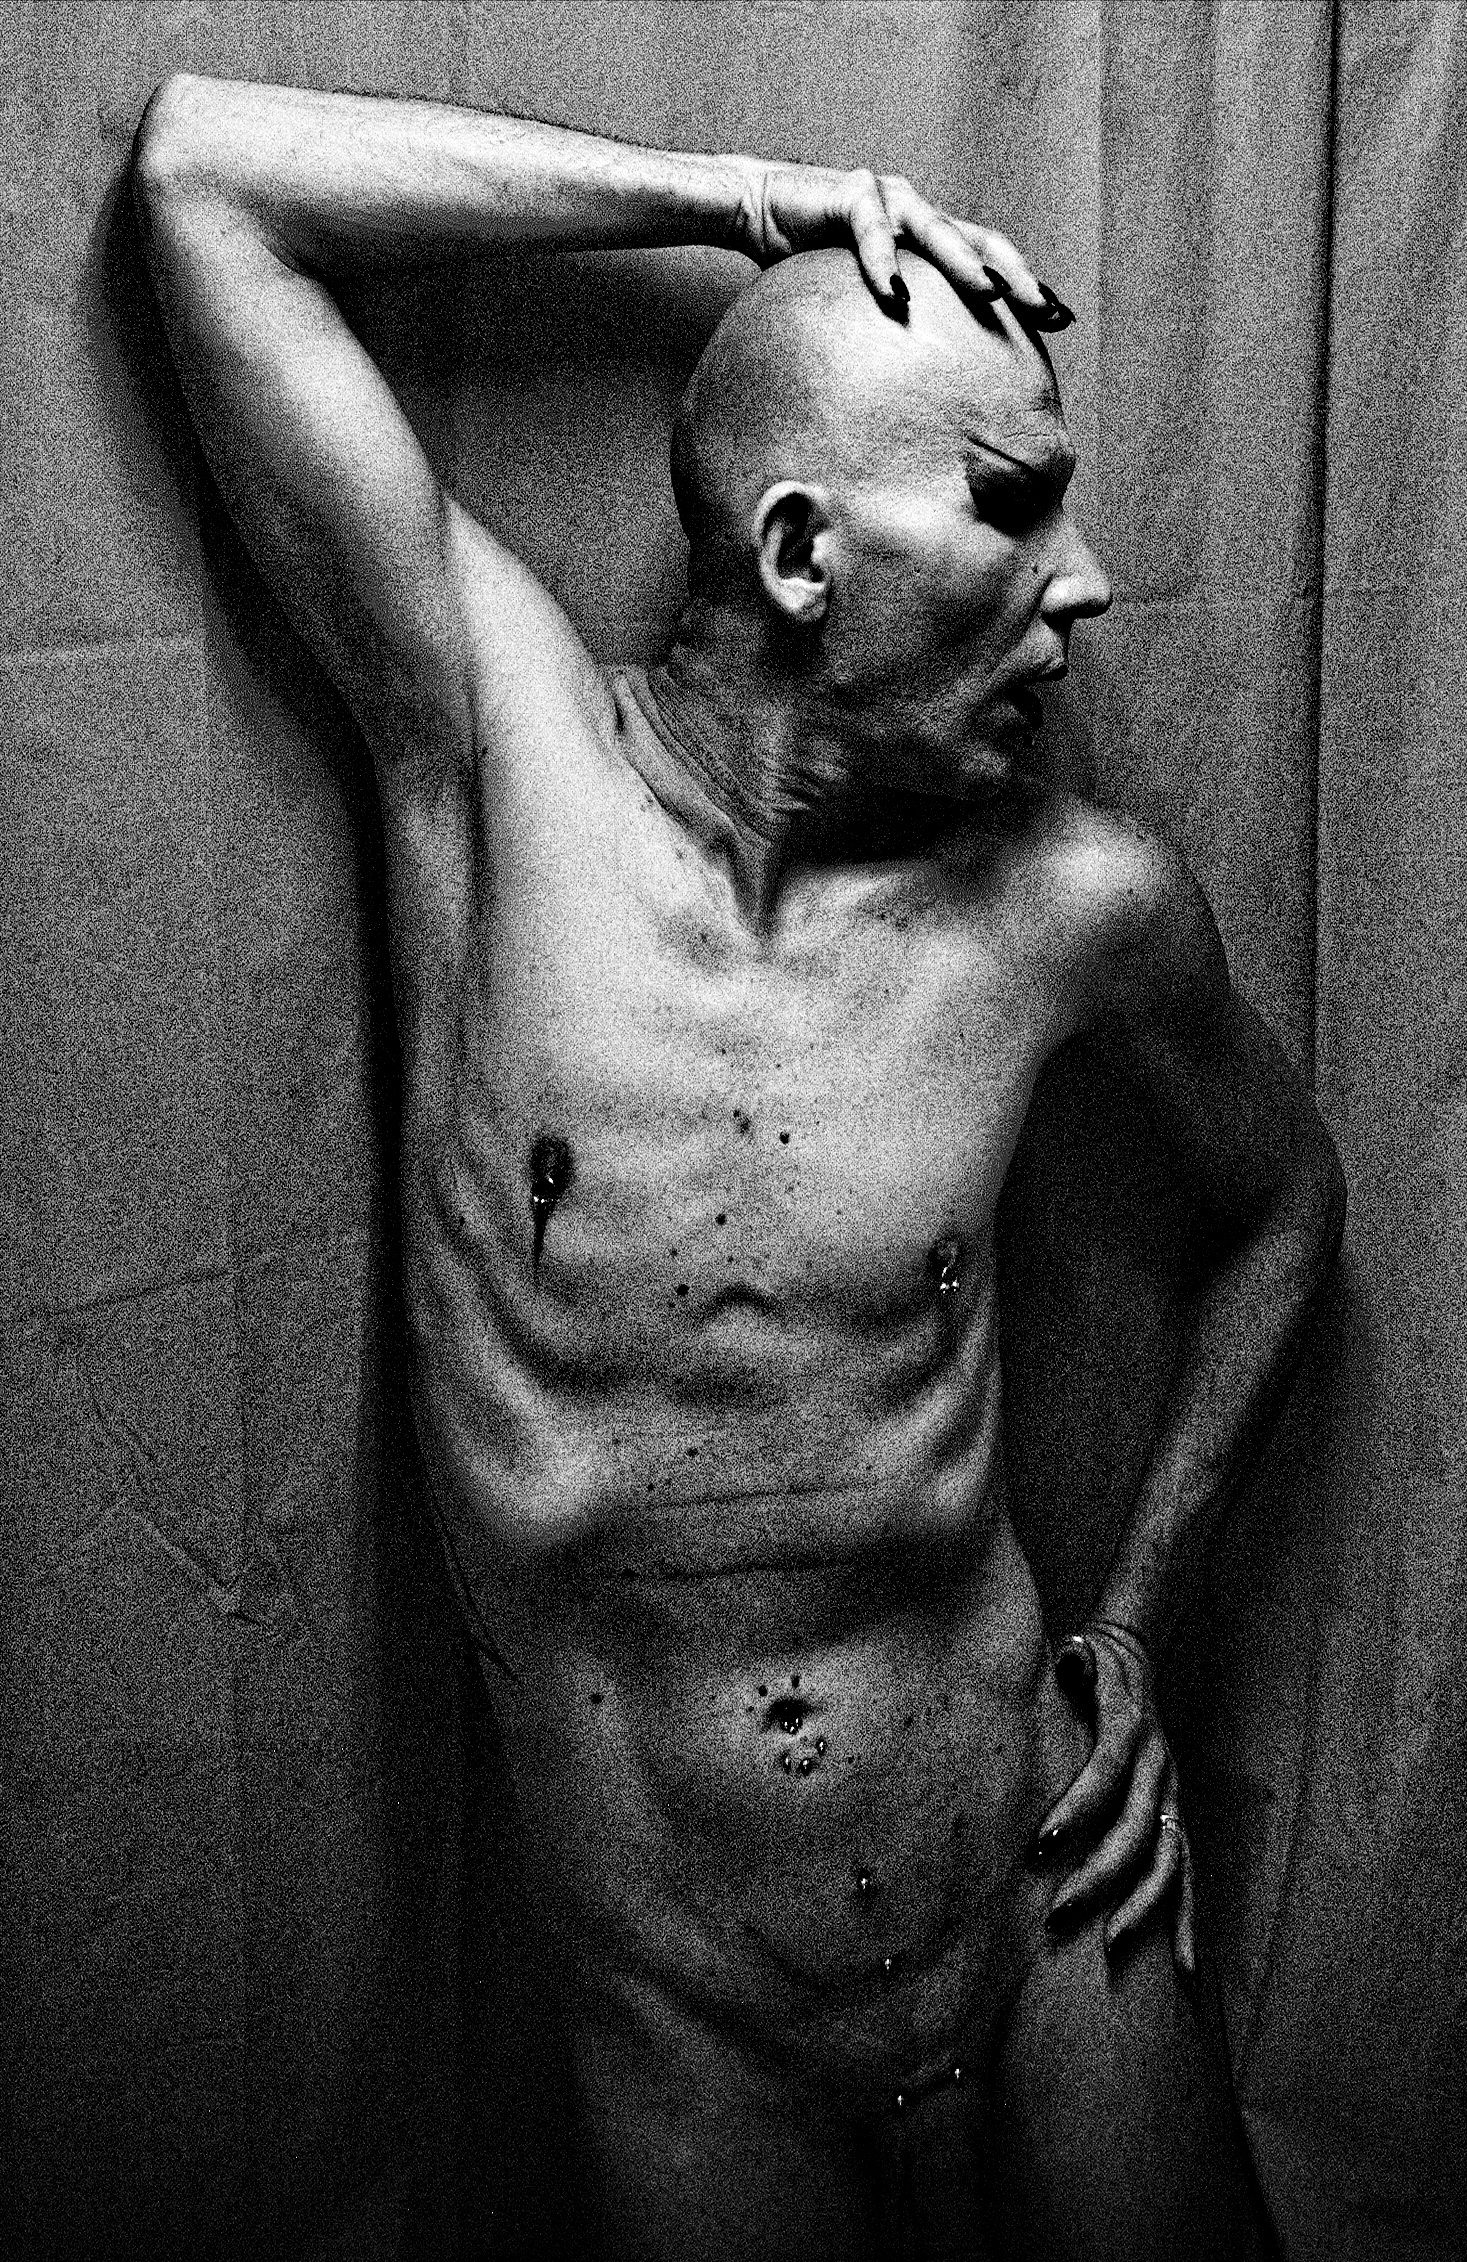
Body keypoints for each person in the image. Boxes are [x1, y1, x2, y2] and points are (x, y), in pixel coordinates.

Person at [131, 75, 1343, 2262]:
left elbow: (1279, 1210)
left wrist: (1138, 1628)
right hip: (692, 2032)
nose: (1078, 586)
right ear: (798, 552)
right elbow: (207, 181)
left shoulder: (1075, 906)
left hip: (1052, 1913)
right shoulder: (496, 756)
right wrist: (741, 202)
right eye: (1009, 506)